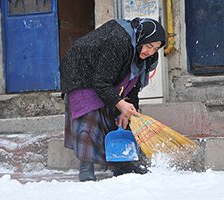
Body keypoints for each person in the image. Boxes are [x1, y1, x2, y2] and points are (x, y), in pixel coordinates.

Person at [60, 17, 166, 182]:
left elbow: (133, 86)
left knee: (120, 117)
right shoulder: (120, 41)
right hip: (81, 71)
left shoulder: (148, 57)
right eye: (148, 46)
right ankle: (86, 167)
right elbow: (101, 82)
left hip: (104, 78)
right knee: (89, 116)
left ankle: (122, 164)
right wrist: (120, 103)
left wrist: (128, 108)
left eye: (155, 48)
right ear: (141, 38)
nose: (150, 52)